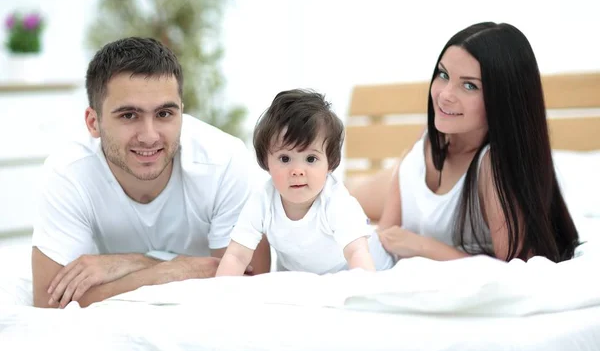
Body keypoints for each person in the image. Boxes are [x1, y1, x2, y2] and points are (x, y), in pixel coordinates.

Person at [31, 37, 270, 309]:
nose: (149, 136)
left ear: (181, 112)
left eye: (164, 114)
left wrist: (135, 264)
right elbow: (48, 302)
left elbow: (248, 286)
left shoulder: (224, 161)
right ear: (93, 122)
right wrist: (168, 270)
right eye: (129, 115)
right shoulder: (68, 173)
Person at [349, 22, 580, 263]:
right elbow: (387, 234)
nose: (445, 94)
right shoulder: (429, 140)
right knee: (339, 194)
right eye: (443, 74)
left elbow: (512, 268)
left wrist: (423, 246)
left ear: (502, 99)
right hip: (396, 179)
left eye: (469, 85)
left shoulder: (491, 166)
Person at [216, 89, 394, 276]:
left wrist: (363, 290)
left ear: (330, 163)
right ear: (266, 161)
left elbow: (357, 252)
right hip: (304, 277)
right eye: (285, 159)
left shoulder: (336, 202)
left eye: (310, 159)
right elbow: (236, 256)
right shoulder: (262, 200)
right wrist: (220, 292)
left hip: (369, 268)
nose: (297, 171)